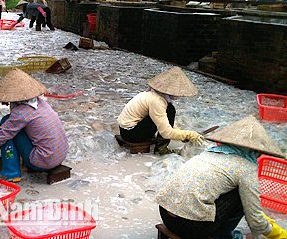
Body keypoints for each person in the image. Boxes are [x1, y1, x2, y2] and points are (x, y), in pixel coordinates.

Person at [155, 115, 287, 239]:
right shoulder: (247, 168)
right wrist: (279, 233)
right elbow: (256, 221)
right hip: (190, 227)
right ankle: (222, 236)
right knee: (241, 194)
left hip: (165, 215)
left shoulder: (209, 153)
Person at [0, 68, 69, 182]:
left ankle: (11, 171)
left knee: (6, 123)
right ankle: (21, 165)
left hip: (43, 162)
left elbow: (2, 137)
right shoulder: (42, 103)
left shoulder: (20, 113)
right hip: (59, 156)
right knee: (13, 128)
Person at [117, 66, 203, 154]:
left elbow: (163, 122)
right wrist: (189, 134)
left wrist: (180, 133)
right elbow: (166, 133)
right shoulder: (157, 101)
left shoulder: (152, 94)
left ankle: (154, 140)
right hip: (132, 134)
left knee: (166, 111)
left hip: (125, 131)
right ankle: (161, 149)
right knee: (170, 110)